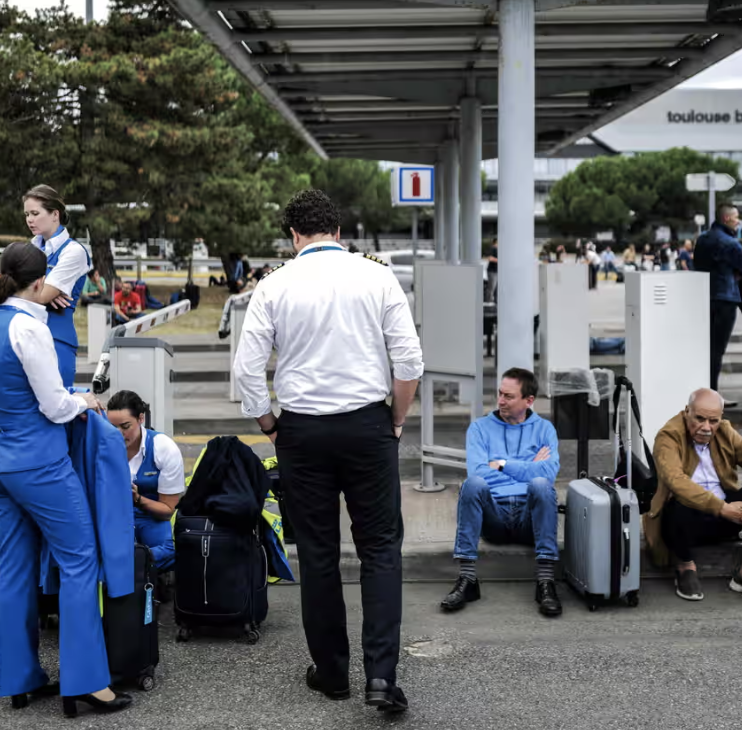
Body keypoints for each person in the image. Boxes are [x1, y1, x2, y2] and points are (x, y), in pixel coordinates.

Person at [233, 189, 423, 714]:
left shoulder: (273, 285)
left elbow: (246, 371)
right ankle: (381, 678)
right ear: (337, 231)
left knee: (317, 554)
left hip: (302, 431)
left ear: (294, 236)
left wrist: (270, 424)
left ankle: (333, 673)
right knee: (380, 550)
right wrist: (397, 419)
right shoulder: (377, 276)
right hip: (368, 426)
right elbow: (408, 361)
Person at [0, 242, 131, 716]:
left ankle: (19, 678)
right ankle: (86, 682)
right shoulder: (28, 327)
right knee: (80, 561)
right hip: (37, 463)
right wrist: (87, 402)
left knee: (14, 566)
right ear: (40, 283)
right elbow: (54, 406)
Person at [440, 368, 562, 617]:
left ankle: (546, 583)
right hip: (494, 515)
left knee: (541, 485)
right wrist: (529, 466)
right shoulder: (480, 428)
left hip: (530, 518)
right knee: (472, 484)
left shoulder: (545, 429)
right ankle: (467, 580)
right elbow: (478, 471)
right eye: (500, 393)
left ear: (528, 401)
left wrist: (502, 464)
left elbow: (548, 474)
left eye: (509, 396)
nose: (500, 400)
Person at [648, 388, 742, 605]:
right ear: (687, 412)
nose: (706, 427)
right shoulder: (668, 436)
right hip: (684, 524)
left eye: (713, 421)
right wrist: (723, 508)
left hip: (725, 518)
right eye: (699, 419)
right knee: (678, 502)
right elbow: (676, 481)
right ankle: (685, 567)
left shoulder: (724, 431)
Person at [106, 390, 185, 571]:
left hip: (151, 517)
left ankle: (132, 564)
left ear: (141, 418)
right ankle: (140, 564)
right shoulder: (101, 446)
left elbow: (167, 511)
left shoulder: (163, 448)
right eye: (112, 427)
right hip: (114, 517)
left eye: (125, 426)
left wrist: (138, 500)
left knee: (174, 549)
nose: (118, 434)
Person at [24, 185, 91, 387]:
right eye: (27, 214)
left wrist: (23, 289)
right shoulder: (30, 247)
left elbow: (41, 296)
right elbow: (2, 288)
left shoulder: (73, 251)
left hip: (56, 341)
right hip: (25, 339)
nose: (29, 219)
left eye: (35, 213)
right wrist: (41, 290)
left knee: (56, 413)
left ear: (55, 214)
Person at [694, 203, 742, 400]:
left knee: (705, 348)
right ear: (727, 219)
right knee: (717, 350)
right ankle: (712, 395)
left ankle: (702, 392)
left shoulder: (702, 239)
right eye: (736, 217)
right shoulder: (730, 243)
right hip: (725, 299)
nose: (738, 221)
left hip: (703, 297)